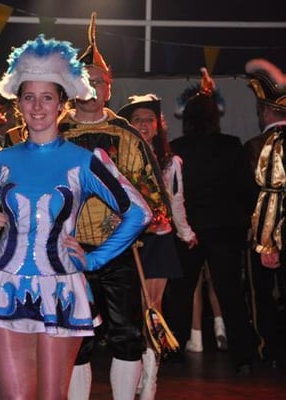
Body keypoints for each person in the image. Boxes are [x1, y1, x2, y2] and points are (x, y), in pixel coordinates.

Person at [0, 34, 151, 400]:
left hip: (62, 288)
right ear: (18, 103)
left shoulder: (84, 161)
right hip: (3, 285)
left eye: (47, 97)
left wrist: (95, 259)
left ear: (63, 104)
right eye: (29, 97)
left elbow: (139, 212)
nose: (37, 106)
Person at [59, 13, 169, 400]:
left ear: (111, 86)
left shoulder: (127, 136)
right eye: (85, 79)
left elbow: (153, 199)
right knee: (76, 337)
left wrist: (132, 220)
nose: (92, 87)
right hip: (66, 252)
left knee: (126, 333)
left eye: (99, 81)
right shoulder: (54, 133)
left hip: (120, 252)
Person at [163, 67, 257, 376]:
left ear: (186, 120)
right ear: (215, 118)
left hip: (188, 229)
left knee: (181, 291)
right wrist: (246, 221)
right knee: (230, 293)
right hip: (225, 229)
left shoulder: (177, 148)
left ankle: (174, 352)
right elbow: (246, 189)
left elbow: (171, 193)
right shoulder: (231, 145)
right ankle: (244, 356)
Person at [117, 93, 194, 399]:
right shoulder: (120, 158)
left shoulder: (170, 161)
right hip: (129, 241)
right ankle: (135, 371)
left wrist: (185, 232)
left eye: (149, 119)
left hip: (159, 239)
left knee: (153, 308)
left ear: (158, 125)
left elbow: (176, 200)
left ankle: (151, 375)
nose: (144, 124)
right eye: (137, 120)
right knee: (132, 311)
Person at [244, 58, 286, 369]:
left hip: (267, 233)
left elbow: (258, 195)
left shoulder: (259, 146)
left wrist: (263, 238)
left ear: (266, 111)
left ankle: (269, 349)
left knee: (262, 294)